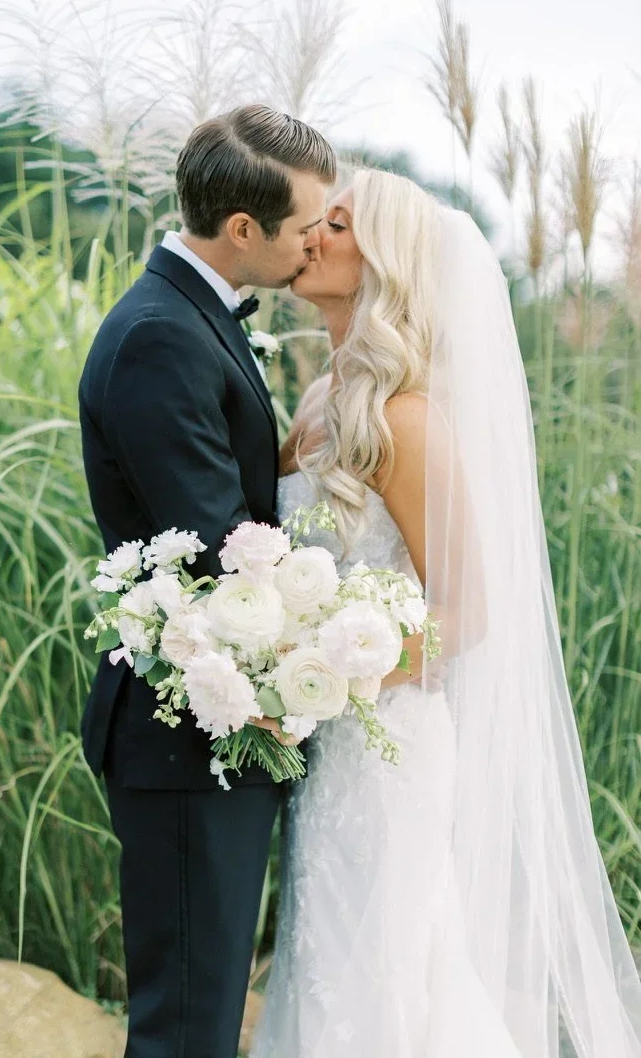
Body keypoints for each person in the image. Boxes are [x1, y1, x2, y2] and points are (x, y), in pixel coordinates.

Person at [251, 168, 641, 1057]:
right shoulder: (320, 403)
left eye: (337, 223)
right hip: (325, 741)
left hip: (388, 747)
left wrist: (324, 680)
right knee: (326, 960)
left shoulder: (408, 418)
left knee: (384, 965)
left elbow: (465, 613)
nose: (311, 233)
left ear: (382, 259)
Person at [78, 103, 335, 1058]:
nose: (315, 243)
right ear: (241, 231)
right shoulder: (160, 336)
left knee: (204, 1012)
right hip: (187, 734)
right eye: (305, 226)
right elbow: (223, 550)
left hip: (210, 735)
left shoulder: (185, 319)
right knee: (187, 1027)